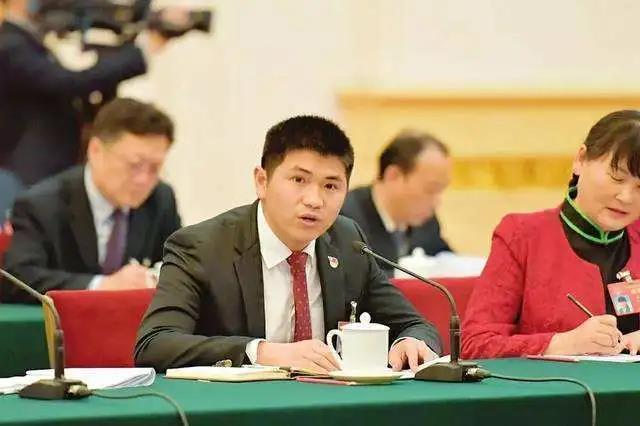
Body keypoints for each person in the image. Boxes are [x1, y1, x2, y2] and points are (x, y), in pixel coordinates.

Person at [135, 116, 442, 373]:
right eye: (299, 180)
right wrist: (262, 352)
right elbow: (155, 344)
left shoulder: (348, 242)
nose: (314, 200)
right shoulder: (201, 247)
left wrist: (410, 342)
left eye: (331, 185)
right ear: (262, 181)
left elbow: (416, 326)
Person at [462, 110, 640, 359]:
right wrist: (564, 343)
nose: (626, 197)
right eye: (617, 177)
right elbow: (475, 344)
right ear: (580, 159)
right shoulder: (522, 236)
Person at [3, 98, 181, 303]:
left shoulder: (160, 199)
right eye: (134, 165)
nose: (143, 179)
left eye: (155, 168)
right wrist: (101, 286)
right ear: (95, 150)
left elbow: (180, 266)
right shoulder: (42, 205)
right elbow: (17, 279)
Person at [0, 0, 169, 186]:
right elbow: (66, 83)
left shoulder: (29, 37)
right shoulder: (11, 44)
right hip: (31, 171)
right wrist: (141, 51)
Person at [340, 131, 453, 276]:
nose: (436, 202)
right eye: (430, 190)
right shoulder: (344, 218)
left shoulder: (427, 222)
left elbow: (447, 262)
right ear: (393, 176)